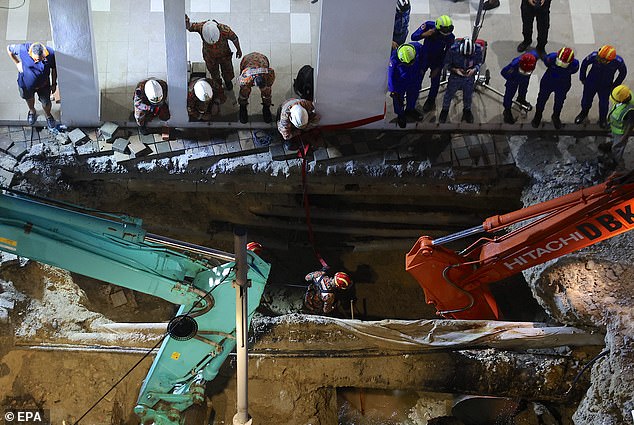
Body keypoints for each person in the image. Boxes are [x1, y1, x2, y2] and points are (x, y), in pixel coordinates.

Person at [6, 42, 57, 128]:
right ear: (30, 53)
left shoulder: (50, 53)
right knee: (29, 98)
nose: (37, 61)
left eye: (40, 59)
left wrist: (54, 84)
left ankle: (48, 115)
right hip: (26, 83)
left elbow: (54, 68)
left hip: (44, 85)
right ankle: (32, 111)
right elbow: (9, 48)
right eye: (35, 59)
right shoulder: (22, 49)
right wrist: (17, 63)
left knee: (46, 102)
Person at [411, 15, 455, 113]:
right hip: (424, 58)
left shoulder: (450, 37)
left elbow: (447, 54)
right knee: (417, 80)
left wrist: (438, 68)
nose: (446, 35)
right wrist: (424, 34)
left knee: (435, 83)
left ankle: (431, 101)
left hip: (437, 60)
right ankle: (413, 99)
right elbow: (413, 37)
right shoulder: (428, 25)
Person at [575, 45, 627, 128]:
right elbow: (585, 64)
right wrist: (583, 78)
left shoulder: (618, 62)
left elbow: (623, 73)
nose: (600, 60)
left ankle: (602, 120)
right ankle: (583, 113)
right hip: (591, 82)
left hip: (605, 85)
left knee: (603, 104)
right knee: (586, 100)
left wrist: (615, 85)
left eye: (603, 60)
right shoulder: (594, 56)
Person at [186, 14, 242, 91]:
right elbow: (190, 27)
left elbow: (234, 38)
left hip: (224, 55)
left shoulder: (225, 29)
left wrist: (238, 50)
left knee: (227, 70)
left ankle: (228, 81)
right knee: (213, 72)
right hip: (210, 57)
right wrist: (186, 22)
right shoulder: (201, 27)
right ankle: (218, 84)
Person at [531, 47, 579, 130]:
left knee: (559, 102)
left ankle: (556, 116)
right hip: (548, 82)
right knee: (541, 100)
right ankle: (538, 116)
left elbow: (573, 71)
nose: (560, 64)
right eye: (559, 61)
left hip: (562, 85)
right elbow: (546, 62)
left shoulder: (575, 65)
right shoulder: (551, 58)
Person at [439, 37, 483, 124]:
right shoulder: (453, 50)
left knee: (468, 95)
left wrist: (474, 70)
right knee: (449, 94)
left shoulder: (477, 50)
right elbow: (447, 64)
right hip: (455, 77)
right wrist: (455, 70)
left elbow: (479, 62)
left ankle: (467, 111)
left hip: (469, 77)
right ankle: (444, 110)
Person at [388, 42, 425, 128]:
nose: (411, 64)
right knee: (398, 100)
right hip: (400, 83)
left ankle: (410, 110)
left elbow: (424, 58)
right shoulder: (393, 60)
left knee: (413, 96)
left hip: (414, 79)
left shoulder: (417, 47)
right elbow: (391, 77)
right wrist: (393, 90)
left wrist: (423, 69)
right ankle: (400, 115)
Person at [238, 52, 276, 124]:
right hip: (247, 60)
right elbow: (242, 92)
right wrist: (243, 100)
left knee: (267, 93)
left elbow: (268, 86)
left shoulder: (269, 74)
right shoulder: (245, 79)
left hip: (262, 59)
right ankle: (242, 107)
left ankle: (266, 107)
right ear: (253, 83)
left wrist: (265, 90)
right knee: (244, 93)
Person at [500, 52, 537, 124]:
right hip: (514, 79)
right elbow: (503, 72)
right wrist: (511, 79)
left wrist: (526, 73)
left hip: (525, 78)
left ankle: (521, 99)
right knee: (509, 94)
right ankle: (507, 110)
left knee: (524, 89)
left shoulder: (534, 57)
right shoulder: (514, 65)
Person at [606, 84, 634, 170]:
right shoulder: (625, 94)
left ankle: (619, 166)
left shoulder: (630, 111)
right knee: (614, 144)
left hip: (621, 132)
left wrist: (624, 137)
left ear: (621, 100)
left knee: (617, 148)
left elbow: (631, 124)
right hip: (615, 129)